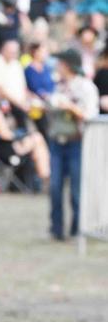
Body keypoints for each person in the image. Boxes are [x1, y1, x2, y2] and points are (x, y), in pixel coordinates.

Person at [47, 48, 99, 240]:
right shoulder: (58, 85)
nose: (57, 67)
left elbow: (90, 115)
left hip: (77, 142)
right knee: (54, 187)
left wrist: (70, 107)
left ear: (68, 65)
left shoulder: (85, 87)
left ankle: (78, 228)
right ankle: (56, 228)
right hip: (57, 141)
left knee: (77, 189)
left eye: (60, 63)